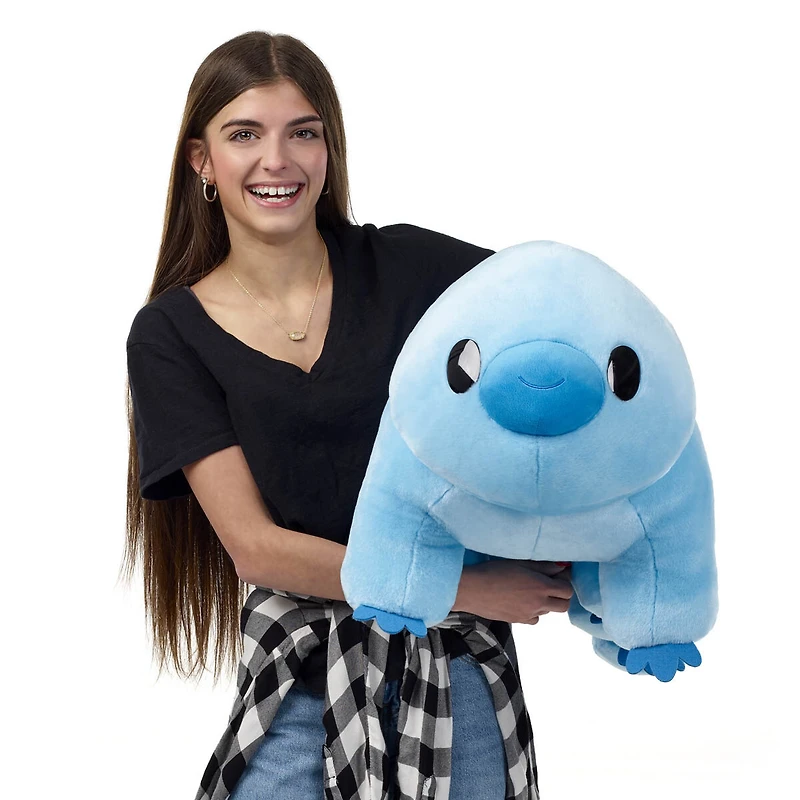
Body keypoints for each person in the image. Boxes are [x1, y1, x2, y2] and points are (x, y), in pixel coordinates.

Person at [122, 30, 574, 800]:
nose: (277, 160)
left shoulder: (414, 269)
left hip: (453, 670)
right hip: (303, 672)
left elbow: (569, 320)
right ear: (201, 160)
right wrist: (465, 586)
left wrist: (594, 529)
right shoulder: (170, 334)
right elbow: (257, 549)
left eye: (303, 133)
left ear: (328, 149)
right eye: (245, 135)